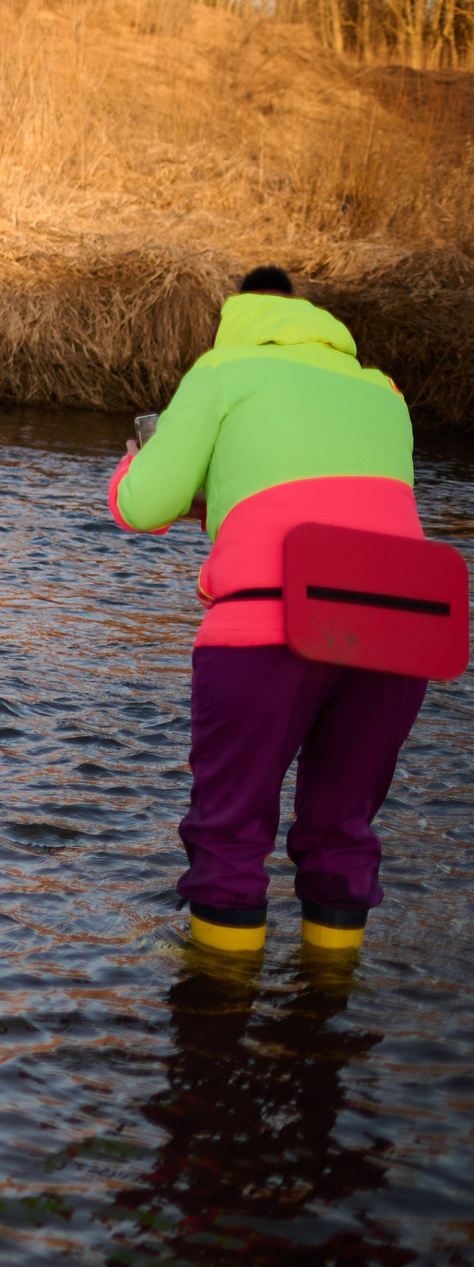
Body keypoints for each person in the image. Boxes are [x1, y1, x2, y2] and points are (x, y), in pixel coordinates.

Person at [109, 266, 429, 957]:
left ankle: (218, 1016)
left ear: (238, 314)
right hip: (400, 628)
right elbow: (340, 499)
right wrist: (221, 499)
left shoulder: (222, 370)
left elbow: (142, 506)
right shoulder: (382, 390)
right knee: (341, 835)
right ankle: (327, 1010)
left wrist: (133, 466)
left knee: (229, 836)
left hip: (270, 623)